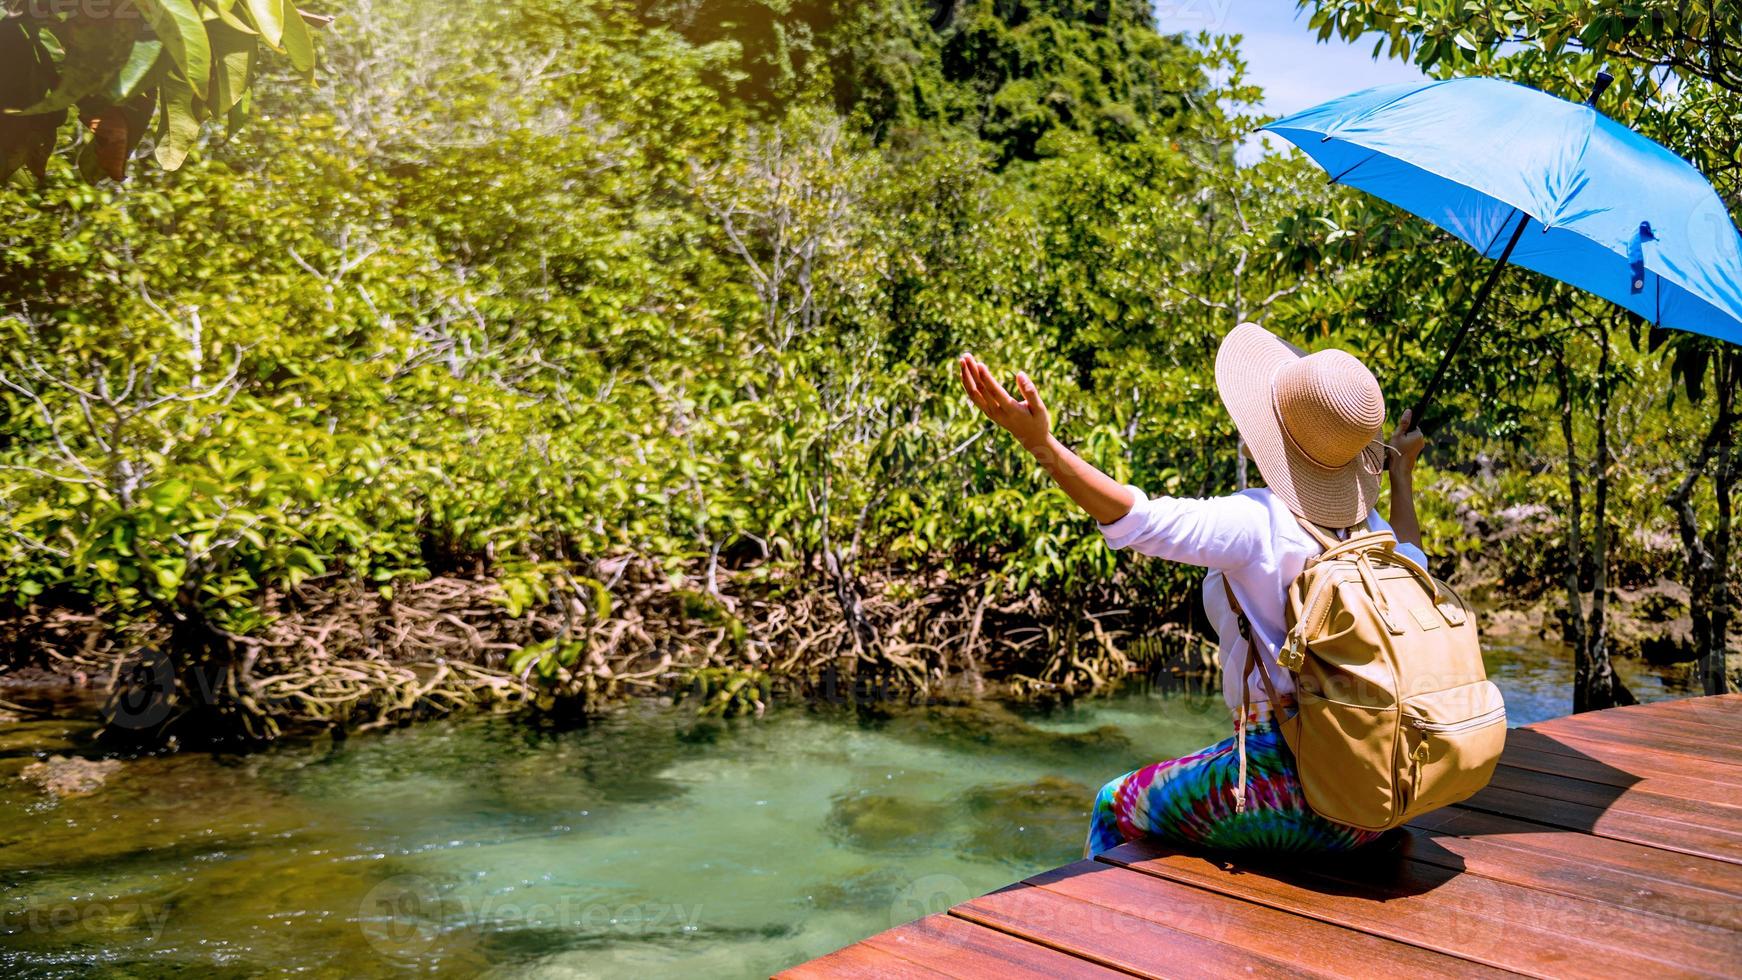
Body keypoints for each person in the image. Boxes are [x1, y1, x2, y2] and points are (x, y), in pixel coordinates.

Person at [957, 322, 1428, 857]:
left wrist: (1040, 444)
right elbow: (1416, 563)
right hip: (1379, 795)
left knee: (1114, 802)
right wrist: (1404, 475)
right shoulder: (1371, 533)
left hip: (1293, 795)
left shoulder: (1259, 521)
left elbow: (1137, 519)